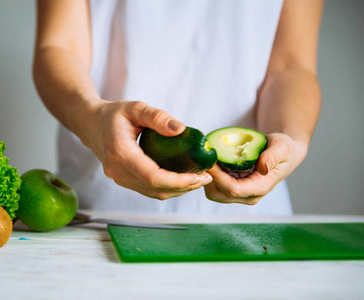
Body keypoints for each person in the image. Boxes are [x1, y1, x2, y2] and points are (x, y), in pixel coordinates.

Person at [32, 0, 323, 215]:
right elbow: (58, 46)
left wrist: (292, 140)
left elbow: (291, 66)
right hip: (100, 213)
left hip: (252, 221)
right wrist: (92, 117)